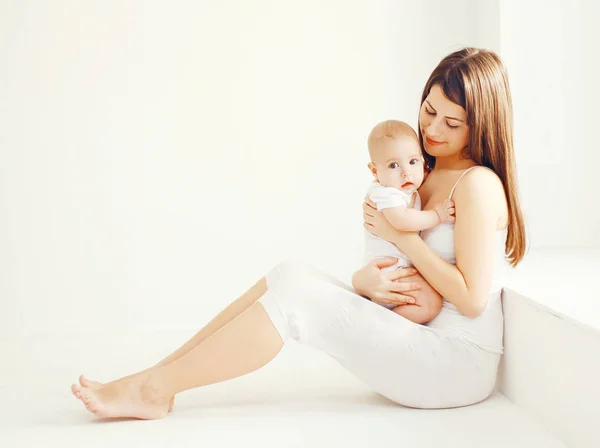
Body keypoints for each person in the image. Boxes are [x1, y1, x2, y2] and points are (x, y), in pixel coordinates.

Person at [71, 47, 526, 419]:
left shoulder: (478, 185)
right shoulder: (420, 173)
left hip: (454, 364)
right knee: (288, 273)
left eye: (452, 123)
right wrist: (365, 284)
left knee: (297, 296)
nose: (431, 129)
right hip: (417, 333)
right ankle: (155, 377)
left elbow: (470, 299)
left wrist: (405, 239)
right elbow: (405, 268)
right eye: (429, 111)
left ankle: (153, 389)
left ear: (480, 126)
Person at [363, 119, 454, 323]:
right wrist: (436, 216)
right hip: (390, 271)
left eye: (413, 161)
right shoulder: (385, 193)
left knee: (429, 302)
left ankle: (382, 322)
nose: (406, 172)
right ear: (375, 171)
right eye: (393, 165)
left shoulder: (405, 188)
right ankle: (379, 325)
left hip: (398, 269)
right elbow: (402, 221)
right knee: (431, 303)